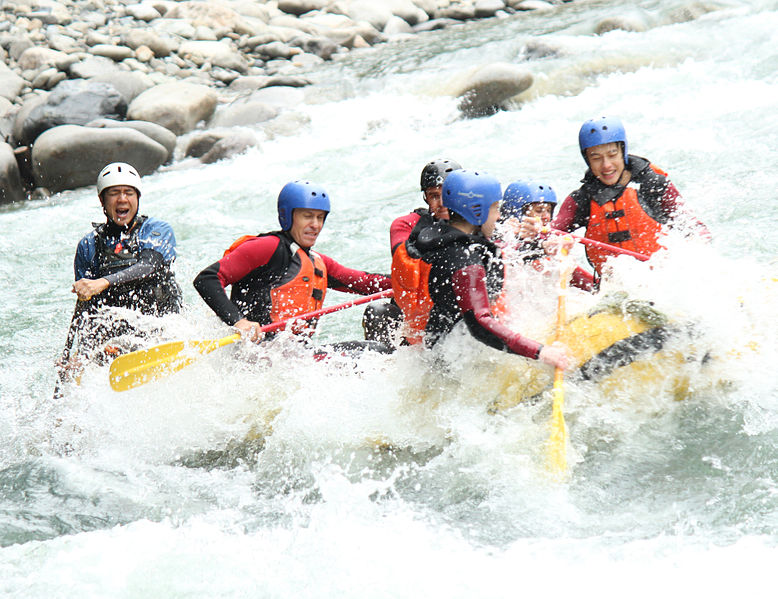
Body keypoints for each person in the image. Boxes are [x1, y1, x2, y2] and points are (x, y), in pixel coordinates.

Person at [193, 180, 392, 352]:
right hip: (258, 356)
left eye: (320, 217)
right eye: (307, 216)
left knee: (375, 351)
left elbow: (364, 282)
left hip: (293, 357)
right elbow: (207, 279)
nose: (315, 225)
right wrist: (239, 322)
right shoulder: (268, 247)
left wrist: (414, 280)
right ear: (287, 216)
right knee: (375, 352)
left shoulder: (316, 261)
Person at [409, 169, 569, 369]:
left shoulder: (448, 237)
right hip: (454, 364)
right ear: (477, 211)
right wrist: (540, 351)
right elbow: (481, 324)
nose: (499, 215)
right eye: (495, 208)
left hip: (441, 346)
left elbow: (503, 256)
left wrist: (539, 247)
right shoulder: (466, 262)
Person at [531, 116, 709, 282]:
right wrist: (545, 240)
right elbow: (551, 233)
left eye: (612, 154)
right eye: (596, 158)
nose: (606, 165)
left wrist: (695, 251)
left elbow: (694, 226)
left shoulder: (652, 184)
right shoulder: (581, 199)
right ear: (587, 160)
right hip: (615, 288)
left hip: (662, 281)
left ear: (622, 151)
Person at [68, 161, 183, 358]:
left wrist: (103, 282)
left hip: (161, 328)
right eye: (114, 193)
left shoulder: (156, 230)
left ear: (137, 197)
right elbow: (87, 306)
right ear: (102, 200)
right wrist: (83, 354)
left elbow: (149, 266)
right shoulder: (89, 245)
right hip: (117, 339)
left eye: (129, 193)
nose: (122, 199)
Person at [363, 158, 461, 346]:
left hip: (455, 315)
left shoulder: (479, 221)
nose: (442, 203)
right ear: (425, 197)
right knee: (378, 310)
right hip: (417, 319)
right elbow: (405, 263)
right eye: (434, 196)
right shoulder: (407, 224)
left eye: (447, 194)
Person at [498, 179, 594, 292]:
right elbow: (512, 254)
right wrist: (543, 247)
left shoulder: (549, 242)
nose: (546, 217)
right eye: (539, 211)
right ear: (518, 213)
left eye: (549, 211)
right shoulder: (504, 235)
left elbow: (586, 282)